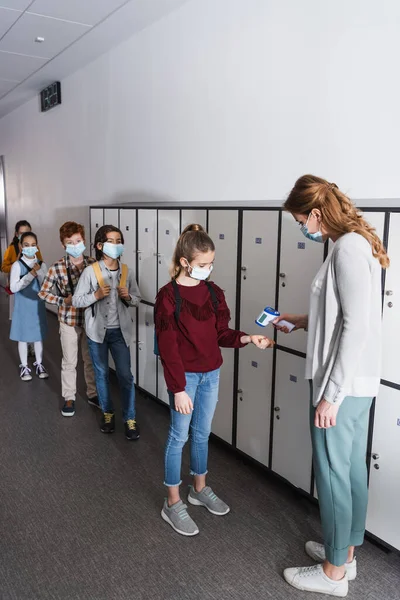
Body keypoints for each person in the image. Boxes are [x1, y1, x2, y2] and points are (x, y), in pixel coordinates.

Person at [274, 175, 389, 598]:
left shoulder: (346, 249)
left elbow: (356, 326)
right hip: (355, 386)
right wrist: (302, 320)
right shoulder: (352, 245)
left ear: (316, 214)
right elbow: (342, 313)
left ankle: (333, 572)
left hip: (341, 386)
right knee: (351, 469)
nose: (301, 227)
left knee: (334, 473)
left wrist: (330, 394)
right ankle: (347, 553)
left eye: (301, 219)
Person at [155, 224, 274, 537]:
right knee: (178, 436)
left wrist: (248, 338)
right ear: (185, 262)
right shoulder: (168, 297)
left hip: (211, 373)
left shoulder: (213, 293)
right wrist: (178, 389)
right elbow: (168, 349)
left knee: (202, 433)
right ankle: (172, 502)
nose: (208, 269)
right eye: (203, 264)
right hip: (186, 378)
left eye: (211, 264)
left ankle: (199, 488)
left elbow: (221, 334)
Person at [72, 225, 141, 440]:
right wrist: (96, 295)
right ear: (100, 246)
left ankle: (130, 418)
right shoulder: (90, 272)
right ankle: (107, 412)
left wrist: (128, 296)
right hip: (97, 333)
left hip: (120, 332)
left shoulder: (126, 271)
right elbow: (76, 300)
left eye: (119, 240)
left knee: (125, 376)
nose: (117, 245)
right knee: (101, 374)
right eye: (112, 241)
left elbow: (137, 299)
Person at [39, 222, 98, 417]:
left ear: (84, 240)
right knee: (69, 361)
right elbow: (44, 293)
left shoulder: (93, 264)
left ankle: (92, 393)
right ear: (63, 245)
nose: (75, 245)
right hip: (68, 320)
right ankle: (69, 396)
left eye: (78, 241)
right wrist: (62, 300)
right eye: (70, 242)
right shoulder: (57, 267)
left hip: (89, 320)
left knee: (89, 359)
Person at [10, 231, 49, 381]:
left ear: (37, 246)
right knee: (23, 337)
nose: (30, 248)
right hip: (23, 307)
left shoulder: (42, 264)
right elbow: (13, 288)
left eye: (33, 245)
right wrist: (30, 274)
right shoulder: (17, 266)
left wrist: (38, 273)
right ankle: (24, 366)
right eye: (26, 245)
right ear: (21, 246)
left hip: (37, 306)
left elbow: (46, 283)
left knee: (38, 337)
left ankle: (39, 363)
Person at [2, 221, 44, 359]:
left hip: (33, 292)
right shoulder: (12, 250)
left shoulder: (36, 253)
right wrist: (19, 268)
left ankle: (32, 348)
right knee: (21, 321)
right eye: (21, 234)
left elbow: (40, 266)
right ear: (17, 235)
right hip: (19, 291)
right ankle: (24, 352)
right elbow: (4, 266)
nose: (25, 235)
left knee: (34, 322)